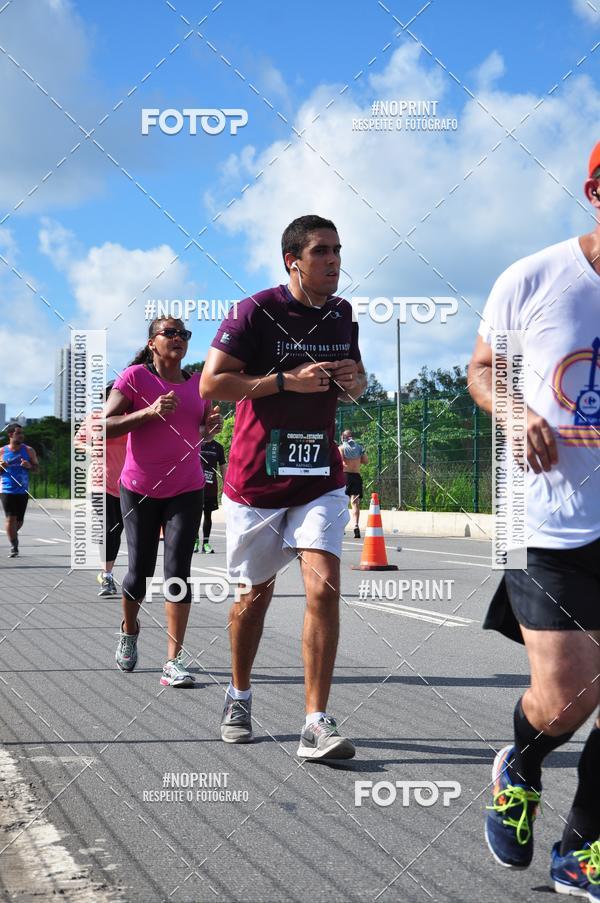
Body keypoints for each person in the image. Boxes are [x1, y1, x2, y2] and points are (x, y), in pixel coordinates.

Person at [468, 143, 600, 896]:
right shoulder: (537, 277)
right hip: (546, 517)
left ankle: (581, 848)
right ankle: (520, 765)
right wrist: (516, 413)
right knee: (569, 696)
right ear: (593, 191)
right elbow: (483, 371)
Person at [201, 214, 367, 758]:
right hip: (258, 481)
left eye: (338, 249)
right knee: (255, 597)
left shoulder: (343, 314)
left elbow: (354, 386)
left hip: (320, 476)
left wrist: (354, 383)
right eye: (321, 251)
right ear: (292, 260)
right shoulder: (254, 311)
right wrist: (284, 381)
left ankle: (315, 722)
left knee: (324, 587)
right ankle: (239, 693)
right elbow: (212, 383)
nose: (334, 260)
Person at [105, 317, 222, 687]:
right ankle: (129, 629)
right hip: (139, 487)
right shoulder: (135, 378)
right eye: (169, 333)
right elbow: (104, 425)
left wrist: (209, 430)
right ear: (152, 342)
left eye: (183, 334)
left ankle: (173, 660)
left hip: (186, 488)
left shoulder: (200, 384)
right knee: (139, 571)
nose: (178, 338)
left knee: (178, 572)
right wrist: (148, 412)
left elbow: (198, 432)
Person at [75, 383, 127, 596]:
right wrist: (89, 448)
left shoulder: (130, 418)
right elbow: (78, 441)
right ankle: (107, 576)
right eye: (116, 395)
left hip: (126, 482)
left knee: (118, 528)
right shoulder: (94, 418)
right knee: (109, 527)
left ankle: (110, 572)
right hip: (99, 481)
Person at [0, 423, 38, 558]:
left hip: (23, 490)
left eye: (22, 433)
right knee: (11, 518)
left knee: (19, 521)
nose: (21, 436)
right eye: (18, 433)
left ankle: (12, 535)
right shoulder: (2, 451)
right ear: (10, 435)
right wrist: (1, 467)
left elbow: (37, 469)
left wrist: (29, 466)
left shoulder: (29, 450)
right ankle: (14, 546)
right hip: (6, 489)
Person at [194, 438, 226, 553]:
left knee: (208, 515)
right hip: (195, 486)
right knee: (195, 516)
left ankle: (206, 544)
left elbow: (222, 466)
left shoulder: (218, 447)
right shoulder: (195, 443)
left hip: (211, 487)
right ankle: (195, 542)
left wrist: (226, 484)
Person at [338, 428, 368, 538]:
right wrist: (357, 459)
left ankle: (341, 528)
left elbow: (340, 463)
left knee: (343, 503)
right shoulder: (359, 448)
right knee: (355, 503)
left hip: (345, 477)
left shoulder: (341, 448)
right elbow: (366, 461)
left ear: (343, 437)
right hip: (356, 476)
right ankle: (356, 525)